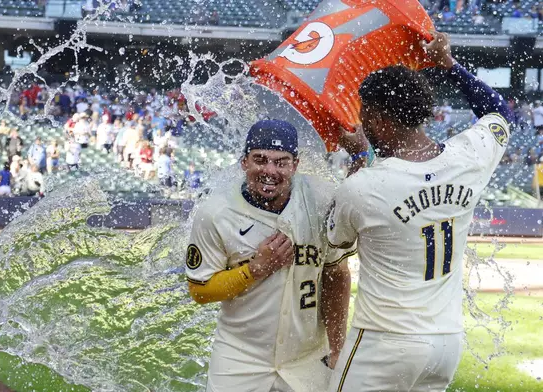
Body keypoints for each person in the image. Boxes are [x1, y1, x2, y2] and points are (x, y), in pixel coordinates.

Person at [325, 31, 514, 392]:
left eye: (365, 116)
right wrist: (450, 64)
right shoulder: (469, 157)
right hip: (445, 343)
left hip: (385, 341)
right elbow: (498, 111)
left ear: (380, 121)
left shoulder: (363, 186)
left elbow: (334, 241)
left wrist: (359, 157)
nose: (362, 123)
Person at [187, 120, 355, 392]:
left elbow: (336, 272)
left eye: (281, 162)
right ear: (244, 162)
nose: (269, 171)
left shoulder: (321, 199)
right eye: (260, 160)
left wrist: (338, 347)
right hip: (240, 358)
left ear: (295, 165)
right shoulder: (217, 212)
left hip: (308, 357)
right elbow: (200, 291)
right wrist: (255, 269)